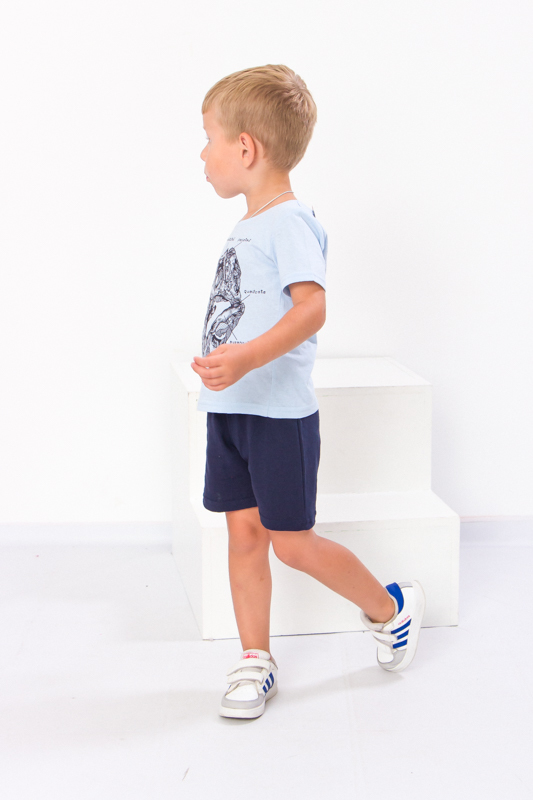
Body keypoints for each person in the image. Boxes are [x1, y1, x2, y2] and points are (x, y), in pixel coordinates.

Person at [191, 65, 425, 720]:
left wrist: (245, 358)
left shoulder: (290, 222)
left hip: (276, 416)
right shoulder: (250, 224)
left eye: (208, 139)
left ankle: (390, 607)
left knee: (290, 542)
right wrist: (226, 366)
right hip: (230, 411)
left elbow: (312, 308)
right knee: (242, 536)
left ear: (245, 148)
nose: (201, 155)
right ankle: (254, 659)